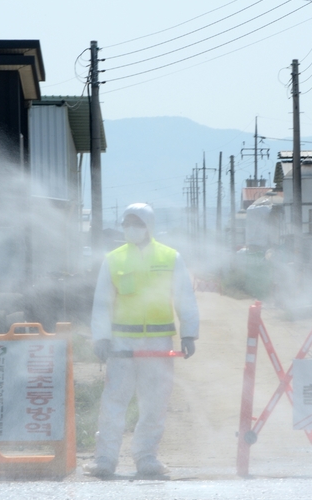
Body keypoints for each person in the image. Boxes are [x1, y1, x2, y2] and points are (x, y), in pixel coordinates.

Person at [83, 203, 199, 478]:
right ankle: (105, 459)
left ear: (149, 226)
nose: (129, 228)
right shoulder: (114, 259)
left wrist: (189, 333)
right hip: (122, 343)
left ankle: (147, 458)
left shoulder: (171, 257)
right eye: (126, 223)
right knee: (114, 401)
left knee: (154, 402)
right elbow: (102, 302)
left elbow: (185, 297)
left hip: (159, 343)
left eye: (135, 223)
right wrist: (101, 337)